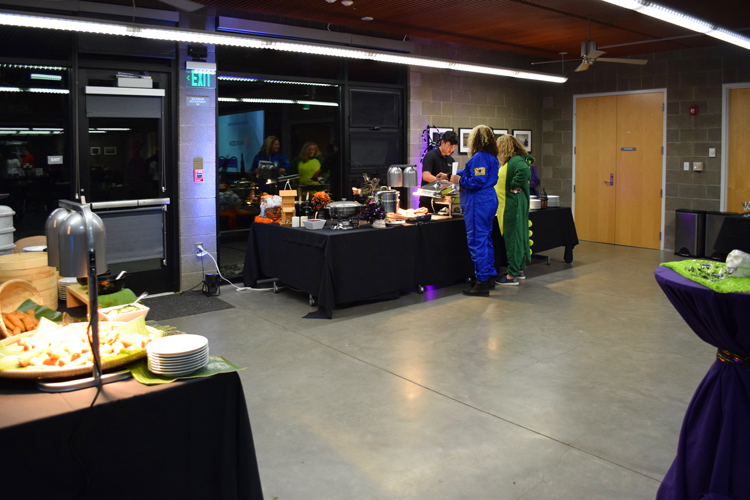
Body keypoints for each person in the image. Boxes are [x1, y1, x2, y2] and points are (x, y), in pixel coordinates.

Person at [449, 125, 499, 296]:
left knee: (477, 241)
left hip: (478, 202)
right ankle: (489, 276)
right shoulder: (491, 157)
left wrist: (459, 180)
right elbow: (470, 171)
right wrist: (450, 176)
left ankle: (481, 282)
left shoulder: (480, 157)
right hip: (488, 200)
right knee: (486, 239)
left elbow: (477, 180)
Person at [495, 134, 534, 286]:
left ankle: (512, 275)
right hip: (508, 205)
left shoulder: (516, 160)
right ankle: (519, 269)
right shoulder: (512, 161)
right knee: (517, 237)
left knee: (513, 239)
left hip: (511, 206)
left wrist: (514, 184)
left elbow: (525, 171)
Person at [420, 131, 458, 210]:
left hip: (444, 202)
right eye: (450, 146)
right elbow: (426, 176)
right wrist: (441, 182)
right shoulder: (430, 156)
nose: (451, 149)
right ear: (442, 142)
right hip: (428, 201)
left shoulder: (451, 160)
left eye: (453, 146)